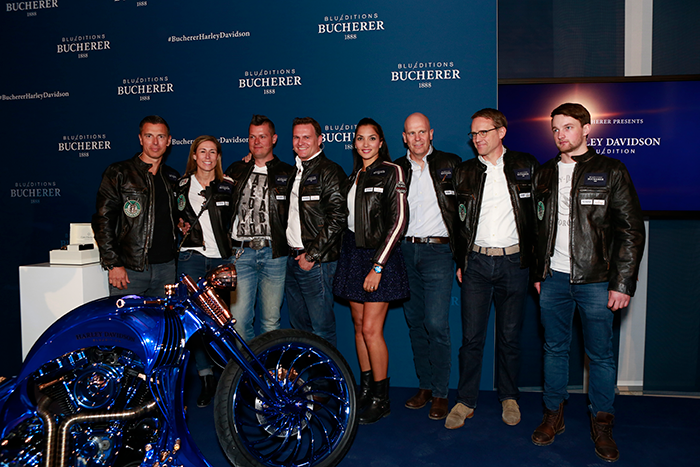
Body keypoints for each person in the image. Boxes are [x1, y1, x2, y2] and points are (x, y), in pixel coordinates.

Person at [531, 103, 645, 462]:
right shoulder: (544, 173)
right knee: (554, 350)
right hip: (553, 279)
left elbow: (631, 231)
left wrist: (622, 283)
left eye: (568, 127)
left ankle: (602, 422)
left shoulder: (611, 170)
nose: (560, 135)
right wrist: (538, 272)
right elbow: (535, 228)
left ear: (586, 128)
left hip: (597, 280)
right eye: (555, 129)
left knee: (600, 355)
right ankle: (553, 414)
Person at [446, 108, 539, 429]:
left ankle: (509, 397)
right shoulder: (464, 171)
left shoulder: (526, 165)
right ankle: (465, 400)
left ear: (501, 132)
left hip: (515, 263)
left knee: (510, 337)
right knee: (471, 338)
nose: (477, 138)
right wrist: (461, 260)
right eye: (473, 133)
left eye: (483, 132)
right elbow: (456, 223)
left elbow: (539, 218)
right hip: (476, 263)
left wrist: (536, 264)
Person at [333, 118, 409, 425]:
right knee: (357, 326)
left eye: (371, 138)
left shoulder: (392, 171)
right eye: (360, 138)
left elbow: (399, 221)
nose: (365, 144)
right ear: (354, 143)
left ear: (381, 142)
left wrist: (378, 265)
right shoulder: (353, 176)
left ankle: (381, 398)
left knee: (371, 330)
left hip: (380, 256)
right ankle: (366, 390)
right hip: (353, 253)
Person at [394, 112, 461, 420]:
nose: (417, 138)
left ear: (431, 133)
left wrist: (463, 256)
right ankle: (424, 385)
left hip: (439, 252)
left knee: (436, 324)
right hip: (405, 252)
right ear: (404, 137)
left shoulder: (452, 163)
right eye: (412, 133)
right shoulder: (396, 168)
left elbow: (465, 211)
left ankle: (441, 392)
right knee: (415, 323)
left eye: (422, 132)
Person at [175, 135, 234, 407]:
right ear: (194, 155)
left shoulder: (228, 185)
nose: (207, 157)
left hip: (220, 259)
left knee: (220, 321)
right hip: (192, 257)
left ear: (218, 156)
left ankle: (228, 377)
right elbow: (172, 217)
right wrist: (179, 225)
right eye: (202, 151)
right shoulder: (181, 185)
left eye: (212, 152)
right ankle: (206, 377)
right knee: (196, 322)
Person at [224, 115, 294, 341]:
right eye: (252, 137)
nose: (256, 142)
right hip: (241, 253)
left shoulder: (287, 172)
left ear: (274, 139)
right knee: (238, 322)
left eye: (262, 137)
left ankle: (266, 364)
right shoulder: (236, 169)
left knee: (271, 322)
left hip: (274, 254)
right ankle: (247, 365)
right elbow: (218, 205)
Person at [92, 115, 179, 296]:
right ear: (140, 139)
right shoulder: (120, 172)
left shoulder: (172, 177)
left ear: (169, 141)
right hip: (130, 269)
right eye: (149, 136)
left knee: (164, 316)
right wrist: (113, 263)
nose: (155, 142)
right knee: (127, 316)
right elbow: (103, 220)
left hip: (167, 269)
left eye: (161, 136)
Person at [285, 117, 347, 347]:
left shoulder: (329, 171)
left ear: (320, 140)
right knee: (299, 329)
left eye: (306, 137)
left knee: (322, 329)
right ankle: (307, 372)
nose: (300, 142)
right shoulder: (294, 171)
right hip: (292, 260)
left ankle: (327, 372)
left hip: (316, 263)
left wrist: (312, 255)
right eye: (296, 137)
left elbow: (338, 218)